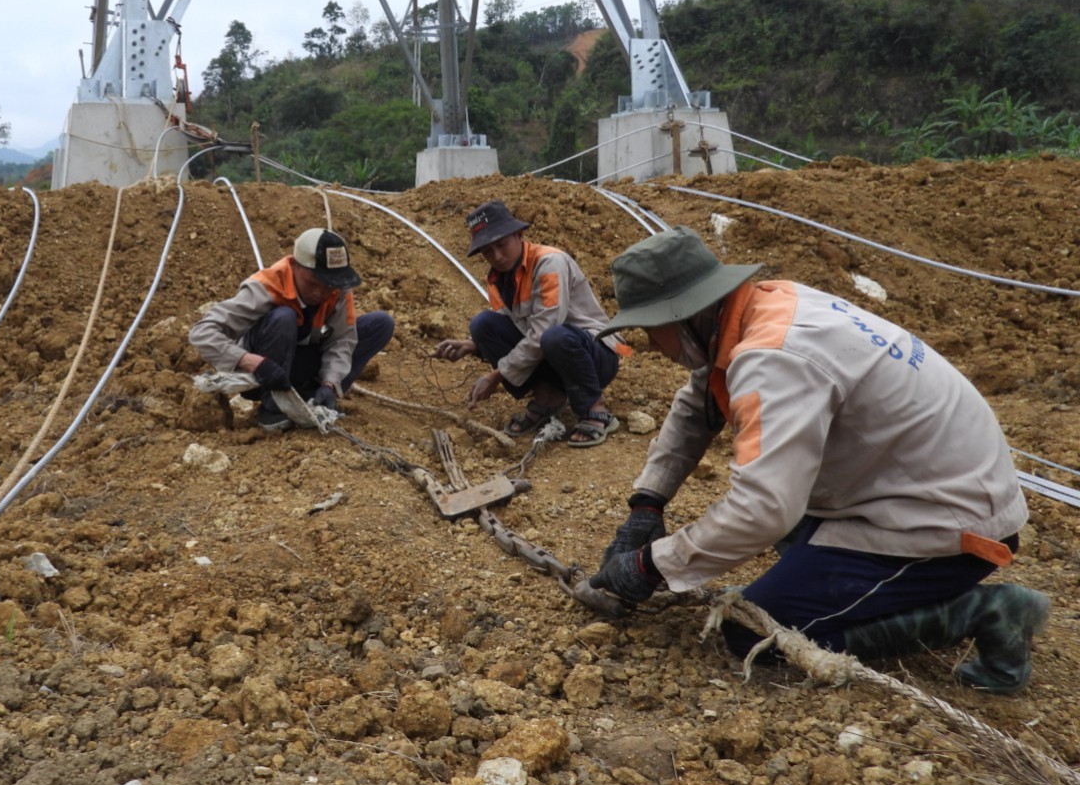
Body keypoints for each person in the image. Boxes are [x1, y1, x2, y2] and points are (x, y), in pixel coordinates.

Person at [585, 226, 1048, 694]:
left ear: (683, 315)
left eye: (650, 327)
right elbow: (697, 404)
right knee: (783, 529)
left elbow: (763, 508)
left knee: (754, 632)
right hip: (914, 483)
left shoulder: (773, 359)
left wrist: (651, 565)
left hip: (944, 522)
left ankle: (988, 613)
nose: (649, 343)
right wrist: (648, 503)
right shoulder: (765, 305)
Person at [432, 199, 623, 447]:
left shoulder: (549, 263)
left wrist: (497, 375)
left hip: (596, 355)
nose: (497, 256)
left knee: (554, 336)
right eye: (488, 252)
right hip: (554, 351)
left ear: (518, 235)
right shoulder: (497, 279)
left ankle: (595, 408)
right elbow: (517, 327)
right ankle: (548, 398)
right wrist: (473, 345)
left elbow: (544, 330)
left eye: (502, 245)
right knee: (483, 326)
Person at [189, 228, 394, 432]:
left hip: (298, 363)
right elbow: (202, 332)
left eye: (328, 286)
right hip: (263, 373)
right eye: (313, 283)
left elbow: (342, 340)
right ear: (295, 266)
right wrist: (251, 362)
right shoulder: (267, 286)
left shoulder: (337, 287)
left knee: (380, 324)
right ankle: (273, 408)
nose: (320, 293)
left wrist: (329, 383)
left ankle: (315, 397)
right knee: (283, 317)